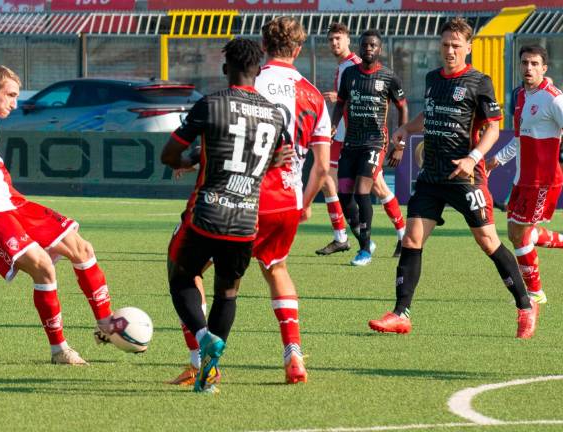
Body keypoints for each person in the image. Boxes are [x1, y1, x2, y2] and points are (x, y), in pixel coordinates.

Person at [166, 16, 331, 386]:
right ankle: (294, 356)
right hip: (288, 200)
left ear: (262, 45)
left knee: (186, 269)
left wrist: (196, 161)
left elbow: (233, 139)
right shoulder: (314, 94)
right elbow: (321, 167)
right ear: (299, 49)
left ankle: (201, 360)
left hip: (244, 197)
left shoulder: (254, 80)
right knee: (277, 271)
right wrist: (304, 204)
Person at [0, 65, 115, 365]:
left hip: (11, 201)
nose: (15, 103)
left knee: (82, 248)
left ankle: (107, 324)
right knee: (43, 267)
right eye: (11, 95)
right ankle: (60, 351)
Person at [367, 18, 538, 338]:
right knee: (412, 239)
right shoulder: (433, 79)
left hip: (466, 177)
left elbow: (493, 128)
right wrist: (406, 128)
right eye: (445, 45)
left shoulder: (479, 82)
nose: (450, 51)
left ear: (468, 48)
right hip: (432, 176)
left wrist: (474, 158)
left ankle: (525, 305)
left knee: (488, 242)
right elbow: (428, 114)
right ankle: (401, 313)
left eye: (456, 46)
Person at [161, 38, 286, 393]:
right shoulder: (275, 114)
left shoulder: (211, 104)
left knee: (181, 276)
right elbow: (282, 155)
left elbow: (170, 154)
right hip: (247, 219)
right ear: (258, 71)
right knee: (227, 293)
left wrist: (190, 161)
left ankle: (203, 337)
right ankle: (209, 376)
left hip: (208, 212)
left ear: (224, 68)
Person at [317, 23, 407, 258]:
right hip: (347, 137)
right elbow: (344, 100)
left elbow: (370, 97)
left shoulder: (357, 65)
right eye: (330, 39)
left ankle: (373, 238)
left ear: (348, 40)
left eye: (338, 38)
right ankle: (347, 236)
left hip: (364, 138)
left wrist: (399, 141)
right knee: (332, 182)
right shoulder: (344, 69)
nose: (334, 43)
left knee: (369, 187)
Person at [486, 45, 563, 306]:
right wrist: (497, 159)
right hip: (522, 178)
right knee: (517, 232)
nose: (528, 68)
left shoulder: (553, 98)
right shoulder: (520, 96)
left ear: (544, 68)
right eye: (524, 63)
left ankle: (536, 293)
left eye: (534, 64)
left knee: (518, 232)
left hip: (543, 181)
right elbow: (520, 139)